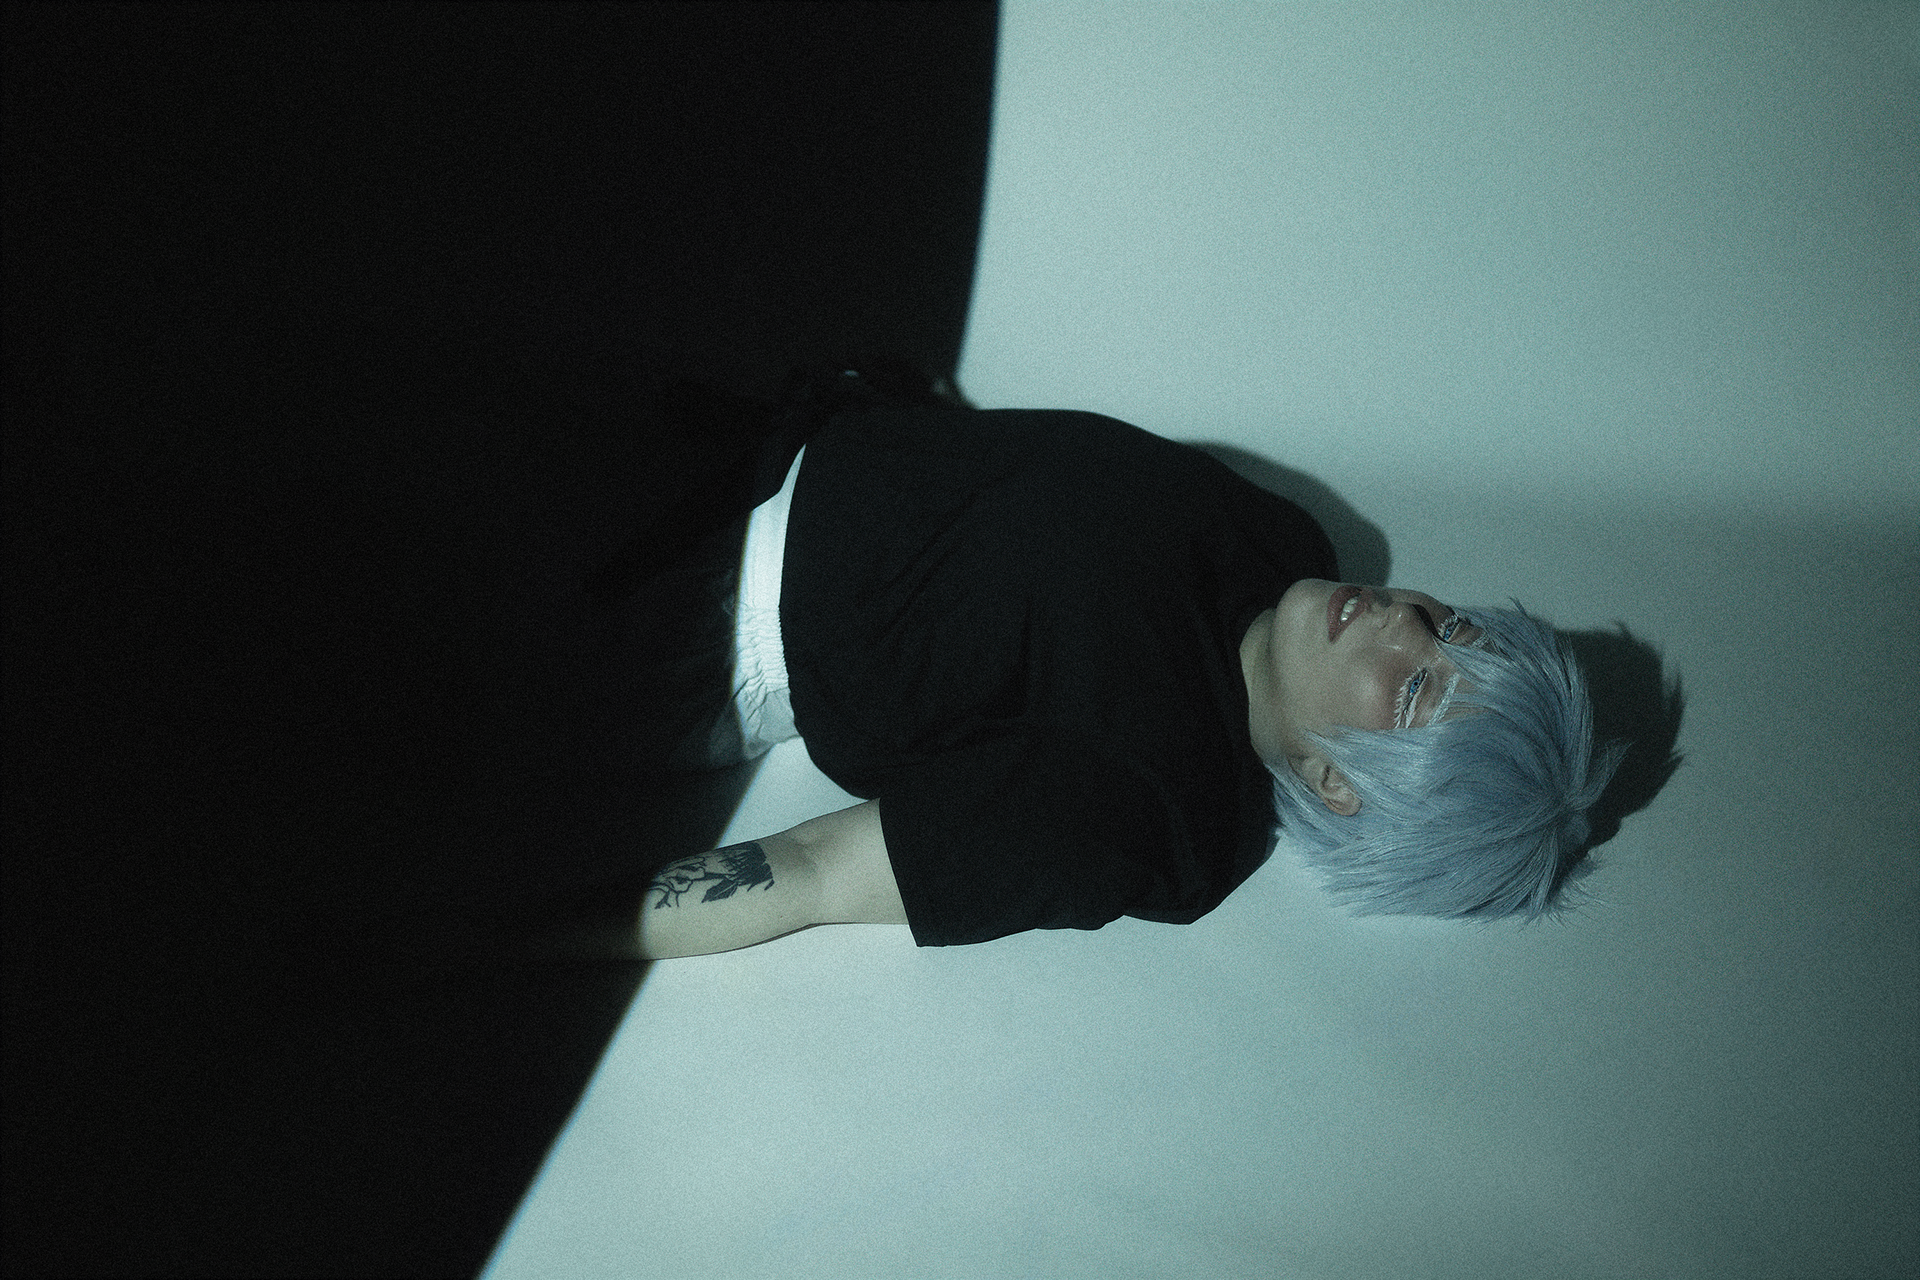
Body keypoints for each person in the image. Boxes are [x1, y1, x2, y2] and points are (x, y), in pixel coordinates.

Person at [623, 370, 1626, 960]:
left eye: (1414, 686)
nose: (1408, 618)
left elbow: (813, 871)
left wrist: (554, 934)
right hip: (755, 421)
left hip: (678, 618)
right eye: (1455, 628)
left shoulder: (1152, 811)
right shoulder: (1283, 542)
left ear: (1338, 781)